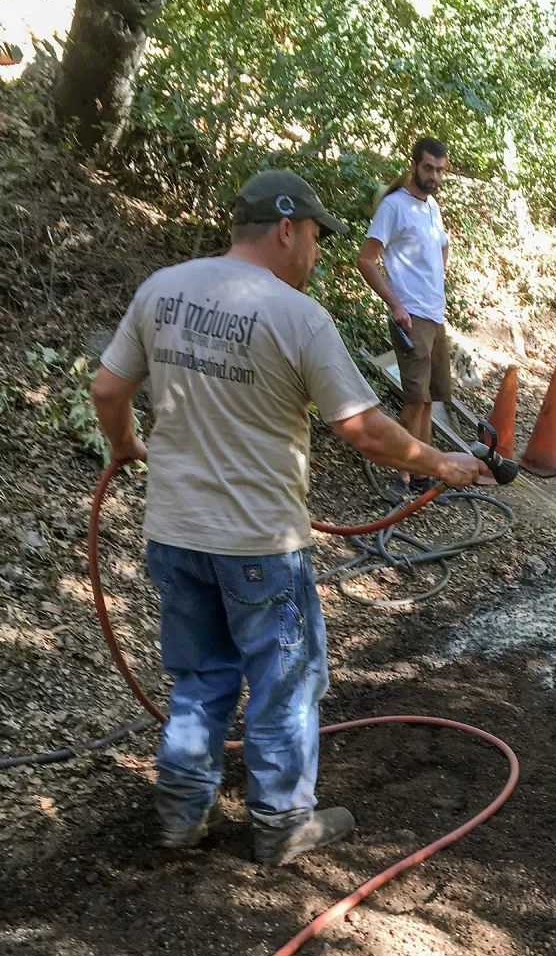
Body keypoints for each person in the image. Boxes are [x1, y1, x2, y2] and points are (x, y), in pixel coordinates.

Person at [92, 168, 483, 864]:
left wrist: (126, 446)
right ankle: (280, 822)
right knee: (285, 678)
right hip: (258, 543)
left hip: (173, 534)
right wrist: (440, 463)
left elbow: (108, 387)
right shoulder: (299, 317)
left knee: (201, 675)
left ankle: (182, 813)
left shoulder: (163, 289)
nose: (316, 252)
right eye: (313, 237)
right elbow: (363, 430)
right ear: (285, 230)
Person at [357, 136, 451, 505]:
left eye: (440, 170)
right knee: (413, 401)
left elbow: (442, 245)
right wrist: (396, 304)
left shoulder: (432, 208)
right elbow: (366, 259)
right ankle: (404, 477)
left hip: (434, 314)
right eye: (428, 167)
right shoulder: (394, 206)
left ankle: (424, 477)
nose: (434, 175)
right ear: (414, 165)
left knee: (428, 400)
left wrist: (436, 279)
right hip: (410, 315)